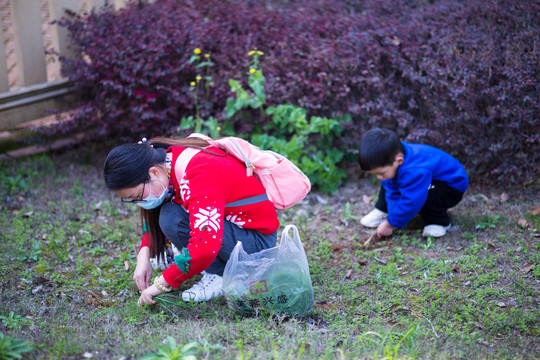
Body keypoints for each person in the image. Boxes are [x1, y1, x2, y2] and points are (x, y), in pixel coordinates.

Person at [103, 136, 279, 305]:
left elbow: (205, 248)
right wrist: (144, 255)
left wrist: (161, 283)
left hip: (257, 247)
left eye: (137, 196)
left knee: (172, 218)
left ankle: (219, 274)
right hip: (238, 230)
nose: (140, 203)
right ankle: (211, 267)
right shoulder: (169, 160)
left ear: (154, 172)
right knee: (170, 213)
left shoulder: (199, 173)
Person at [358, 128, 468, 238]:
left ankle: (438, 221)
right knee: (387, 180)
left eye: (380, 173)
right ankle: (383, 210)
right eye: (375, 174)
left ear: (399, 161)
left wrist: (390, 224)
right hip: (425, 177)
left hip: (450, 186)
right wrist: (392, 215)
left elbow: (411, 200)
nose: (378, 177)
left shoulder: (414, 171)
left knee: (423, 194)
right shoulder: (393, 155)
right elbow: (392, 188)